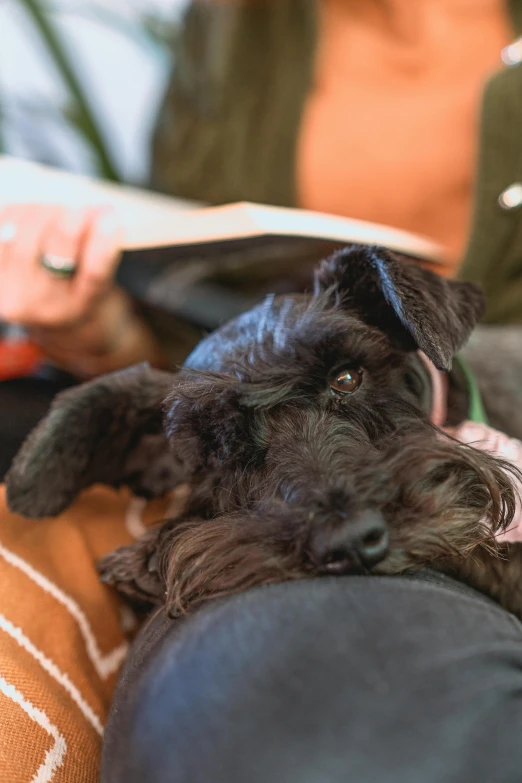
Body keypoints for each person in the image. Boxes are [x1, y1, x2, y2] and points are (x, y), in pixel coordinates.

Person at [3, 3, 522, 780]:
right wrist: (101, 332)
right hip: (291, 562)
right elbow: (204, 360)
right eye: (223, 441)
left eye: (347, 379)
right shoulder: (229, 30)